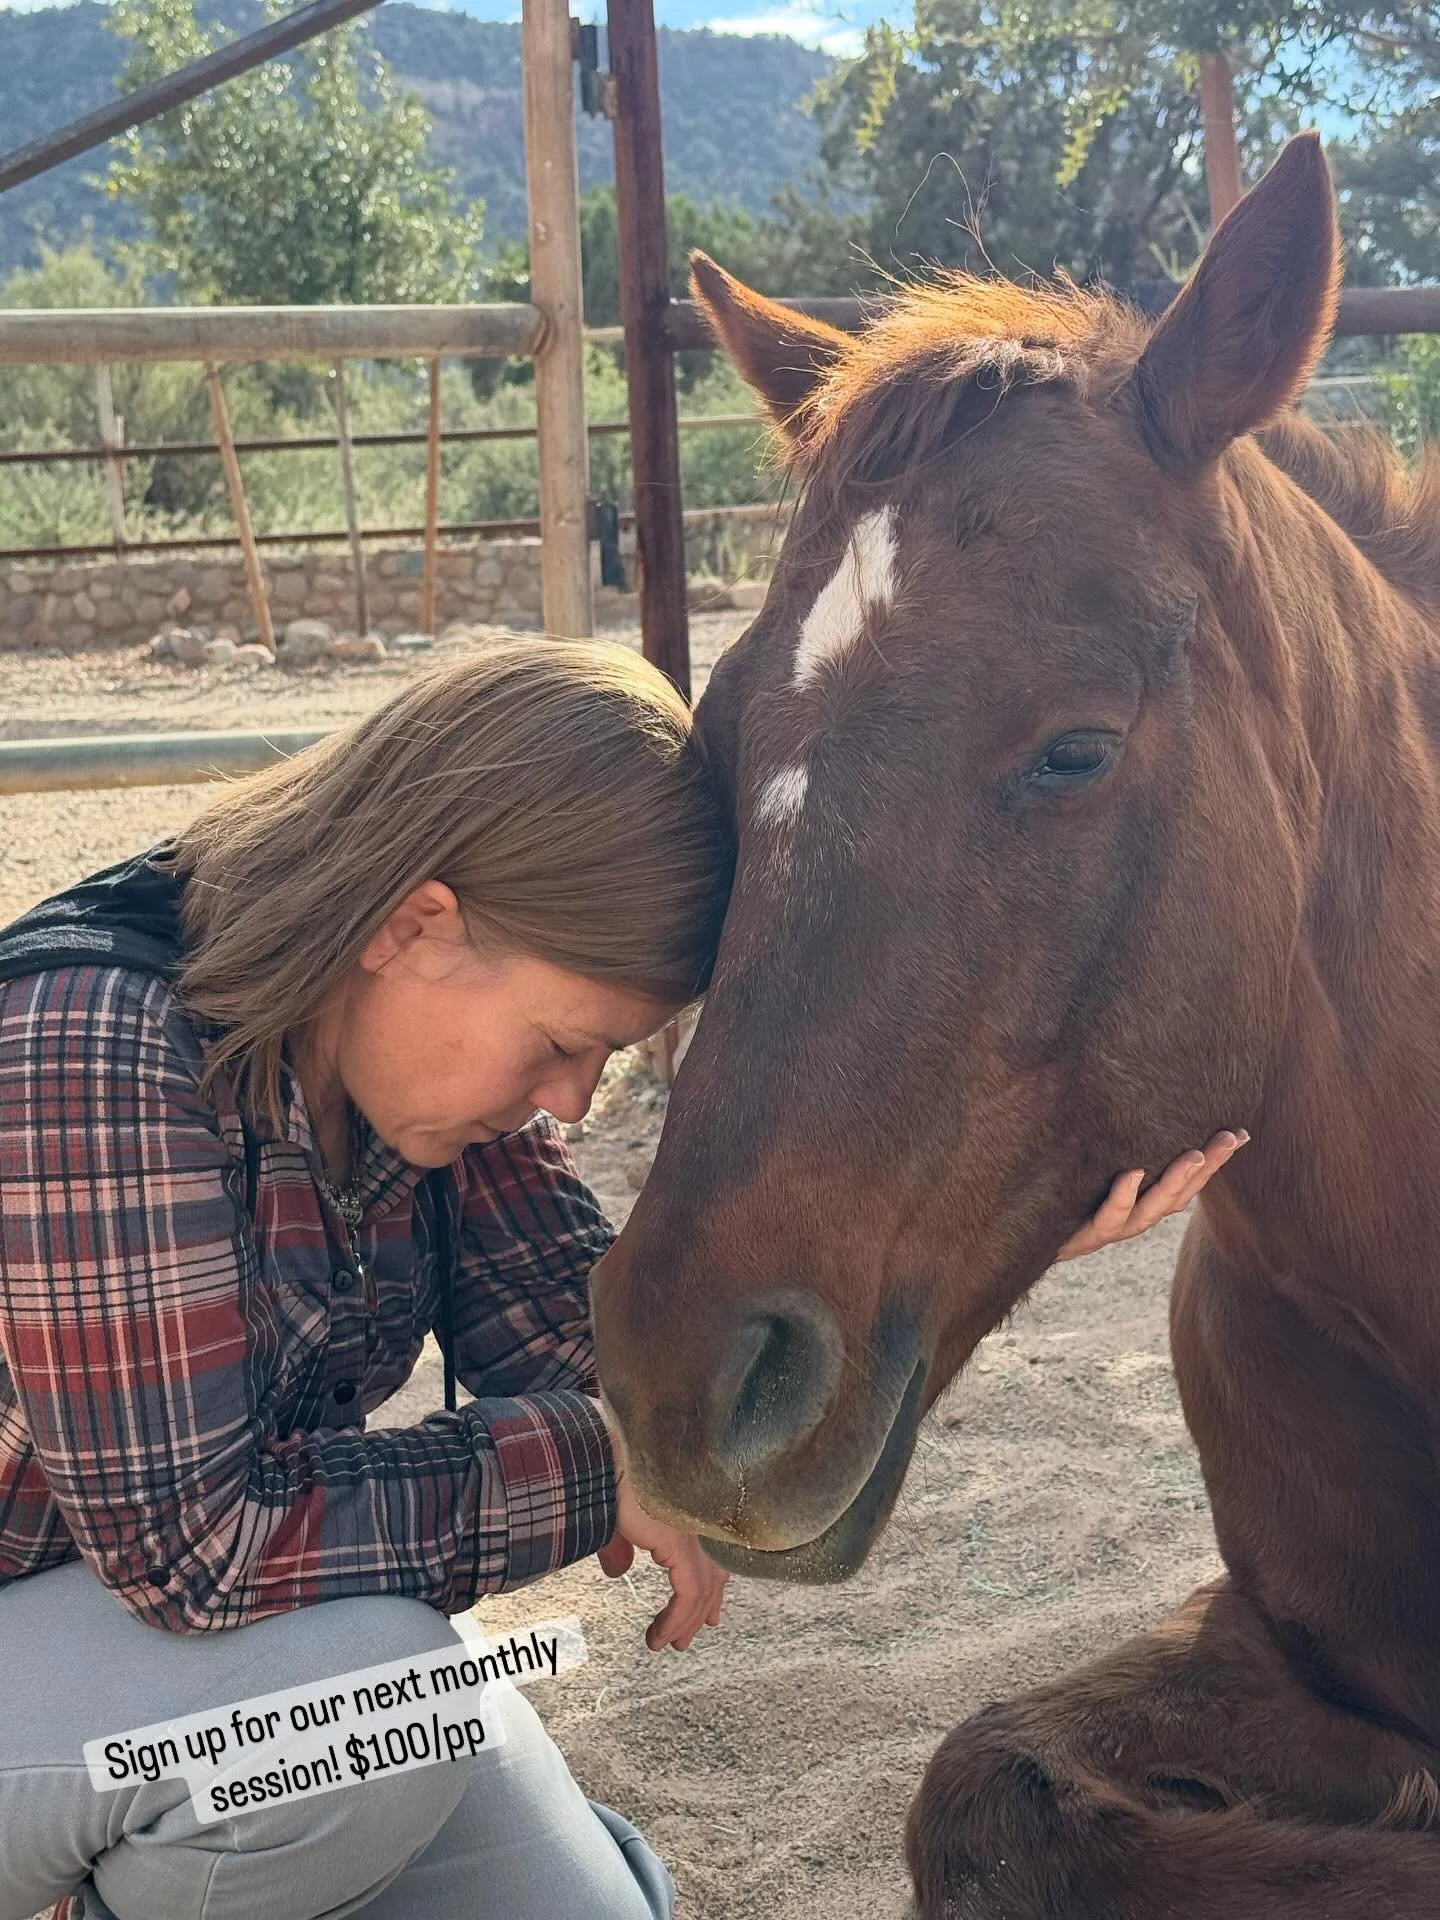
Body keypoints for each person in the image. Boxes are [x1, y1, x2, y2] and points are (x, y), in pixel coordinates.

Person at [0, 637, 1244, 1920]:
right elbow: (196, 1547)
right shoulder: (90, 1047)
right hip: (120, 1635)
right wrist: (597, 1470)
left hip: (145, 1663)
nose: (573, 1103)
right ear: (417, 925)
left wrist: (964, 1236)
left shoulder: (403, 1075)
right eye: (564, 1045)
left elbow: (622, 1378)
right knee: (347, 1703)